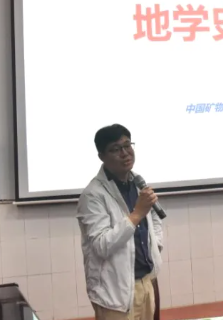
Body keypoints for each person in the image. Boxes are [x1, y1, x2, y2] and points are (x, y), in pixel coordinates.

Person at [77, 124, 164, 320]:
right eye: (116, 149)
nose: (125, 153)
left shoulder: (137, 182)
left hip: (146, 283)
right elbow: (102, 245)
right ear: (102, 156)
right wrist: (136, 214)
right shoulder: (93, 195)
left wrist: (155, 246)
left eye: (127, 145)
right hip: (115, 292)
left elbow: (155, 218)